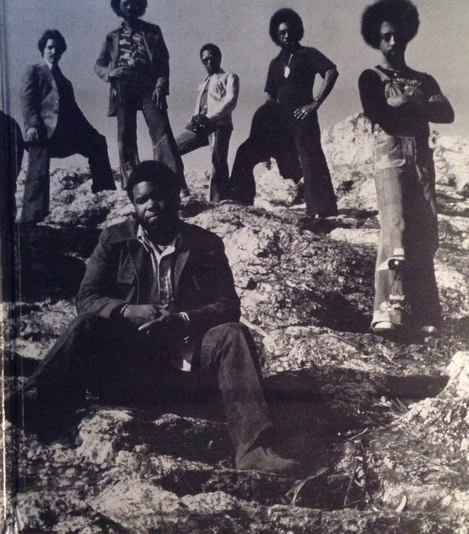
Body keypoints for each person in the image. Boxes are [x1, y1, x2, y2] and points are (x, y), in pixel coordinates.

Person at [5, 160, 298, 474]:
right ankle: (34, 404)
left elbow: (228, 305)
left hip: (187, 372)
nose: (151, 206)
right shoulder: (114, 240)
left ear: (176, 197)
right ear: (134, 205)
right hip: (130, 367)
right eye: (141, 200)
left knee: (232, 333)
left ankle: (253, 449)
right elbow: (87, 298)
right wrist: (127, 310)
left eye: (158, 196)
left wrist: (182, 319)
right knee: (85, 325)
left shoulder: (206, 244)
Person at [358, 0, 454, 337]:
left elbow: (446, 113)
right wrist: (418, 105)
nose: (393, 42)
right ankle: (388, 309)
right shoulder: (371, 77)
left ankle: (425, 312)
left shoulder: (424, 79)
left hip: (421, 161)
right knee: (395, 228)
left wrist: (406, 100)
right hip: (390, 159)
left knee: (425, 230)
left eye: (398, 35)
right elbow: (380, 114)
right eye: (386, 37)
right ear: (376, 39)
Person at [94, 0, 187, 194]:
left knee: (161, 131)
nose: (130, 7)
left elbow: (163, 62)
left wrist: (160, 85)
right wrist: (110, 73)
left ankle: (174, 183)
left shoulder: (153, 31)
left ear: (140, 6)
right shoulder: (112, 37)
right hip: (123, 86)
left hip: (149, 86)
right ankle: (131, 185)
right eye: (125, 4)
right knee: (126, 135)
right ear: (119, 7)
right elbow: (98, 65)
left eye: (133, 3)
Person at [20, 30, 116, 224]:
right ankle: (31, 219)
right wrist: (32, 125)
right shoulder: (34, 70)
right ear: (43, 49)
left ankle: (104, 192)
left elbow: (74, 112)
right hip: (42, 132)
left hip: (64, 135)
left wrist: (91, 133)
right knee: (38, 172)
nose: (53, 52)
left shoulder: (65, 81)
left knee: (98, 143)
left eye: (57, 48)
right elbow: (27, 98)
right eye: (49, 48)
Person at [263, 8, 338, 217]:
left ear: (297, 31)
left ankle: (322, 212)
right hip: (281, 120)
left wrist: (315, 103)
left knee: (311, 159)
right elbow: (270, 95)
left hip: (303, 116)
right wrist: (270, 124)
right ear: (276, 36)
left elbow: (331, 72)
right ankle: (305, 202)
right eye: (282, 33)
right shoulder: (275, 63)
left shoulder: (309, 54)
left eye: (289, 31)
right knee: (287, 163)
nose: (287, 36)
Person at [175, 44, 239, 202]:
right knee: (171, 149)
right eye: (205, 60)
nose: (209, 62)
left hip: (218, 125)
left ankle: (218, 200)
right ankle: (181, 189)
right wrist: (192, 121)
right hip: (200, 127)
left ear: (219, 58)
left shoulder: (229, 77)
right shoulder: (202, 84)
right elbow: (199, 106)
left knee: (218, 160)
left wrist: (209, 117)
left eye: (212, 58)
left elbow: (230, 101)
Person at [228, 101, 302, 206]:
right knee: (243, 154)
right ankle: (242, 198)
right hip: (274, 137)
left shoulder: (273, 109)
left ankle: (242, 198)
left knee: (289, 171)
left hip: (282, 138)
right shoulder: (265, 110)